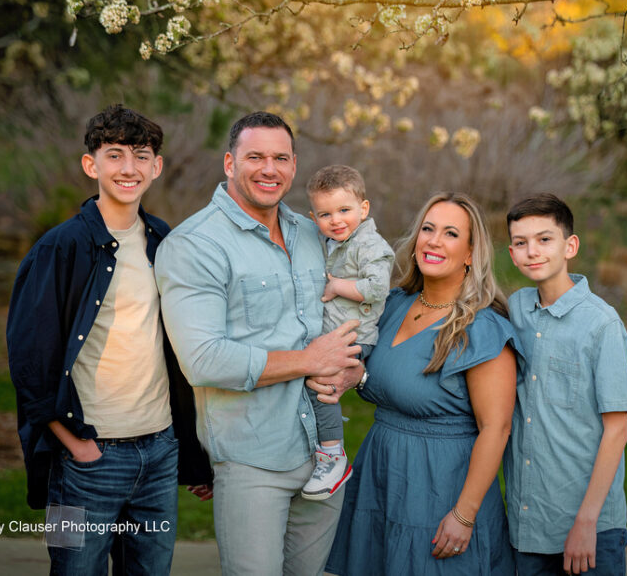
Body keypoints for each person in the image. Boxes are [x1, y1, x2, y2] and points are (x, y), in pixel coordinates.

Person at [154, 112, 362, 576]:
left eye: (280, 158)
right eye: (255, 157)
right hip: (252, 461)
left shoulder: (314, 234)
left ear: (293, 166)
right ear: (229, 163)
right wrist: (310, 360)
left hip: (324, 456)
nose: (269, 168)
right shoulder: (195, 245)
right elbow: (203, 359)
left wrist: (355, 369)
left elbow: (354, 309)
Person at [7, 104, 211, 575]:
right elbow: (28, 360)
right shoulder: (58, 248)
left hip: (159, 454)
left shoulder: (166, 242)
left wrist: (192, 452)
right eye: (114, 154)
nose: (128, 168)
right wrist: (70, 443)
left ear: (156, 167)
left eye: (141, 156)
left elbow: (185, 347)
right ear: (91, 165)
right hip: (81, 459)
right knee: (71, 569)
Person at [318, 191, 519, 575]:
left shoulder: (483, 328)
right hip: (381, 477)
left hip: (440, 488)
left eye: (450, 234)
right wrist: (356, 376)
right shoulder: (392, 305)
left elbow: (497, 428)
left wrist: (463, 515)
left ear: (471, 252)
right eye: (428, 229)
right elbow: (386, 379)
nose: (433, 241)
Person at [503, 193, 627, 576]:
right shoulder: (515, 310)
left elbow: (618, 428)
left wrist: (586, 522)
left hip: (589, 528)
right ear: (511, 253)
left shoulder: (601, 325)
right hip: (527, 525)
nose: (533, 251)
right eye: (521, 243)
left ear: (569, 246)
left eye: (545, 239)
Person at [301, 164, 395, 501]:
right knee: (308, 382)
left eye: (344, 210)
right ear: (314, 217)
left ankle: (332, 455)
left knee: (324, 385)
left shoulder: (369, 244)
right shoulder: (331, 241)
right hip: (335, 331)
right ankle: (317, 442)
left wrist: (338, 285)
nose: (336, 220)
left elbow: (377, 287)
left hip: (355, 334)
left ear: (363, 208)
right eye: (326, 214)